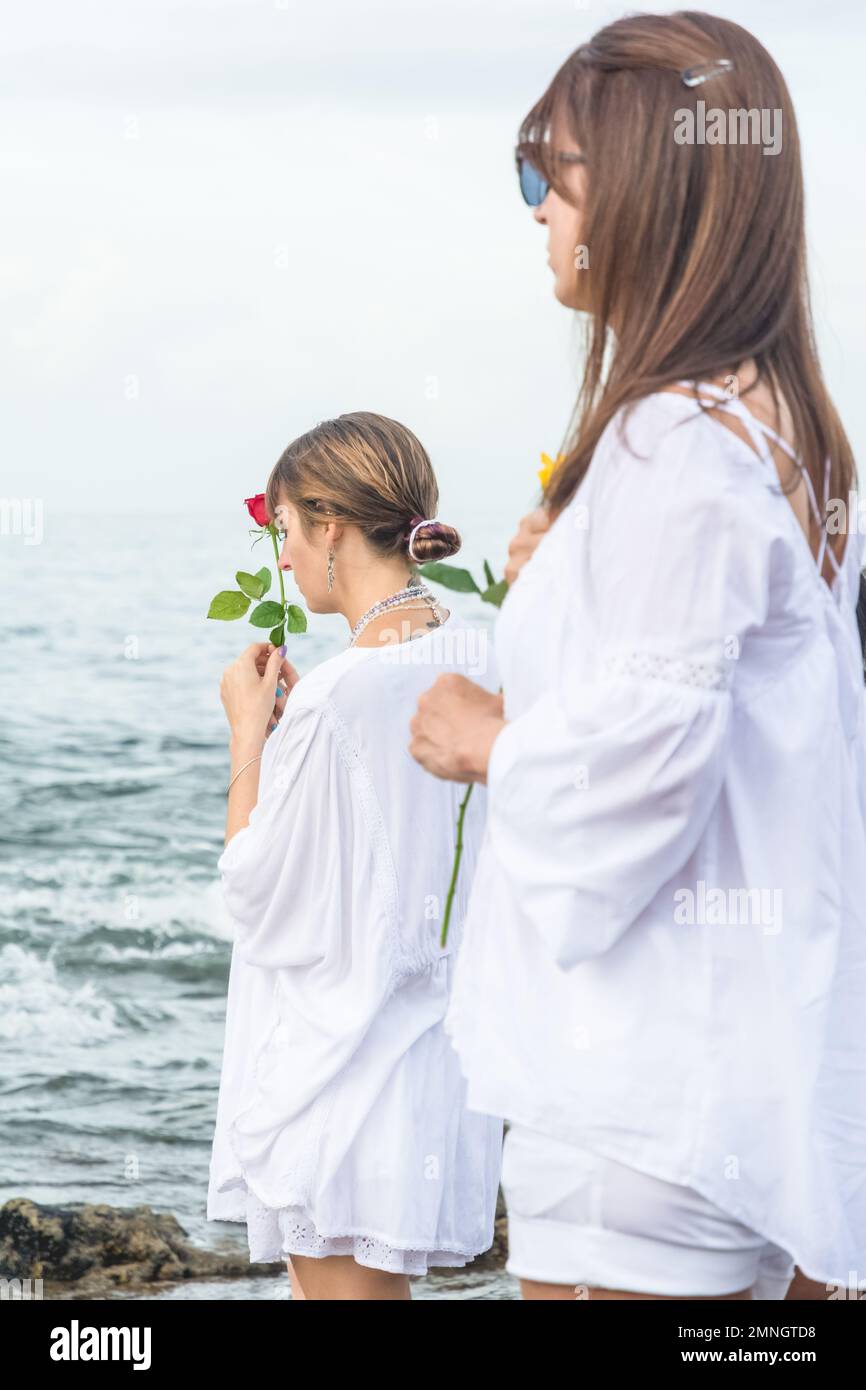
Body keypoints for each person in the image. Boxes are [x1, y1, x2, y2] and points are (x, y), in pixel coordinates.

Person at [409, 11, 866, 1301]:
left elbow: (643, 772)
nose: (535, 209)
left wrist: (480, 738)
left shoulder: (672, 439)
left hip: (640, 1099)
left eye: (543, 168)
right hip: (736, 1075)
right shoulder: (782, 436)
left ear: (646, 184)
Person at [207, 411, 503, 1300]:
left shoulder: (337, 698)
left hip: (340, 1069)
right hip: (436, 1054)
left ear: (330, 527)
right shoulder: (489, 655)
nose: (286, 555)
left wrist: (247, 736)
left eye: (287, 529)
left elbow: (255, 888)